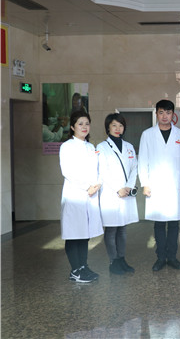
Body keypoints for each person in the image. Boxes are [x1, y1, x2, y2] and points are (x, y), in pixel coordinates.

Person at [139, 100, 180, 271]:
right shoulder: (147, 134)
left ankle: (172, 257)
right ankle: (161, 257)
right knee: (159, 223)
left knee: (174, 223)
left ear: (173, 115)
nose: (164, 116)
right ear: (156, 114)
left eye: (168, 113)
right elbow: (143, 160)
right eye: (161, 112)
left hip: (175, 184)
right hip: (156, 185)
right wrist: (145, 183)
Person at [59, 110, 103, 283]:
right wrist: (87, 187)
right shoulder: (67, 146)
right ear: (72, 127)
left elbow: (97, 169)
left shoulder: (91, 147)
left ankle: (84, 266)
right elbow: (67, 171)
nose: (84, 127)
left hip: (90, 195)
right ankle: (75, 270)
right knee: (73, 233)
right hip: (75, 195)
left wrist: (97, 184)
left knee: (84, 233)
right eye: (80, 124)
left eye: (87, 123)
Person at [97, 113, 139, 275]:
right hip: (111, 193)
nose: (117, 128)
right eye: (114, 125)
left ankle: (121, 259)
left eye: (120, 126)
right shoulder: (102, 147)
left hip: (126, 193)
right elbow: (103, 171)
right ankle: (113, 261)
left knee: (122, 228)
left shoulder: (129, 146)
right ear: (108, 127)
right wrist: (118, 189)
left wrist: (128, 187)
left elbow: (134, 167)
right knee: (112, 229)